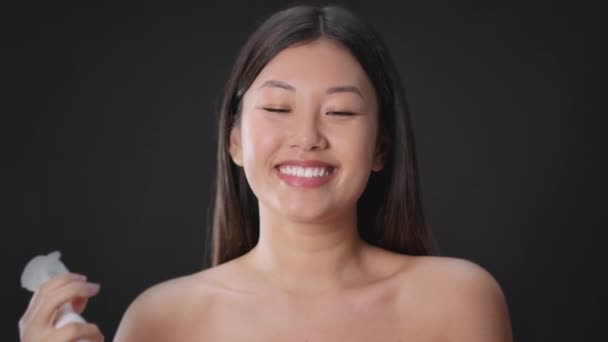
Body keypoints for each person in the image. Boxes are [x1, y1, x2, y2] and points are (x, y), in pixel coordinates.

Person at [19, 4, 513, 341]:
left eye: (340, 112)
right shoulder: (161, 320)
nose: (308, 137)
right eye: (278, 108)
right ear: (234, 139)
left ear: (381, 147)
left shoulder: (457, 299)